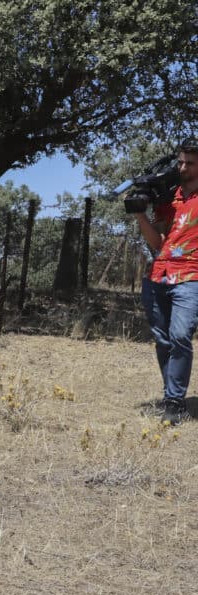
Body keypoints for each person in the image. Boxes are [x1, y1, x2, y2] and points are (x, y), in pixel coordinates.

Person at [132, 137, 198, 426]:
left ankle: (174, 399)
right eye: (181, 161)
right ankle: (173, 397)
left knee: (181, 334)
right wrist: (140, 214)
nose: (183, 167)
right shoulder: (167, 197)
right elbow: (158, 242)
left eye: (190, 163)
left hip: (192, 275)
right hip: (159, 273)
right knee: (162, 338)